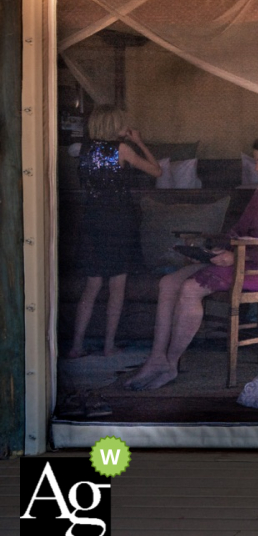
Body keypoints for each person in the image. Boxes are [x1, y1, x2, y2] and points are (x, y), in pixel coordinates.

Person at [126, 135, 258, 391]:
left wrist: (238, 255)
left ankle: (170, 363)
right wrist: (216, 249)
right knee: (168, 282)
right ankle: (156, 358)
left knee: (189, 289)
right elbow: (239, 229)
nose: (257, 168)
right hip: (240, 260)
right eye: (256, 162)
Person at [67, 108, 163, 359]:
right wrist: (139, 141)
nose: (127, 126)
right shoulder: (122, 149)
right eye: (123, 123)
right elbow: (157, 171)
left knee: (92, 284)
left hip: (92, 219)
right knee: (117, 284)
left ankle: (76, 345)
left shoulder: (84, 150)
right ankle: (109, 345)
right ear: (114, 125)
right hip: (118, 220)